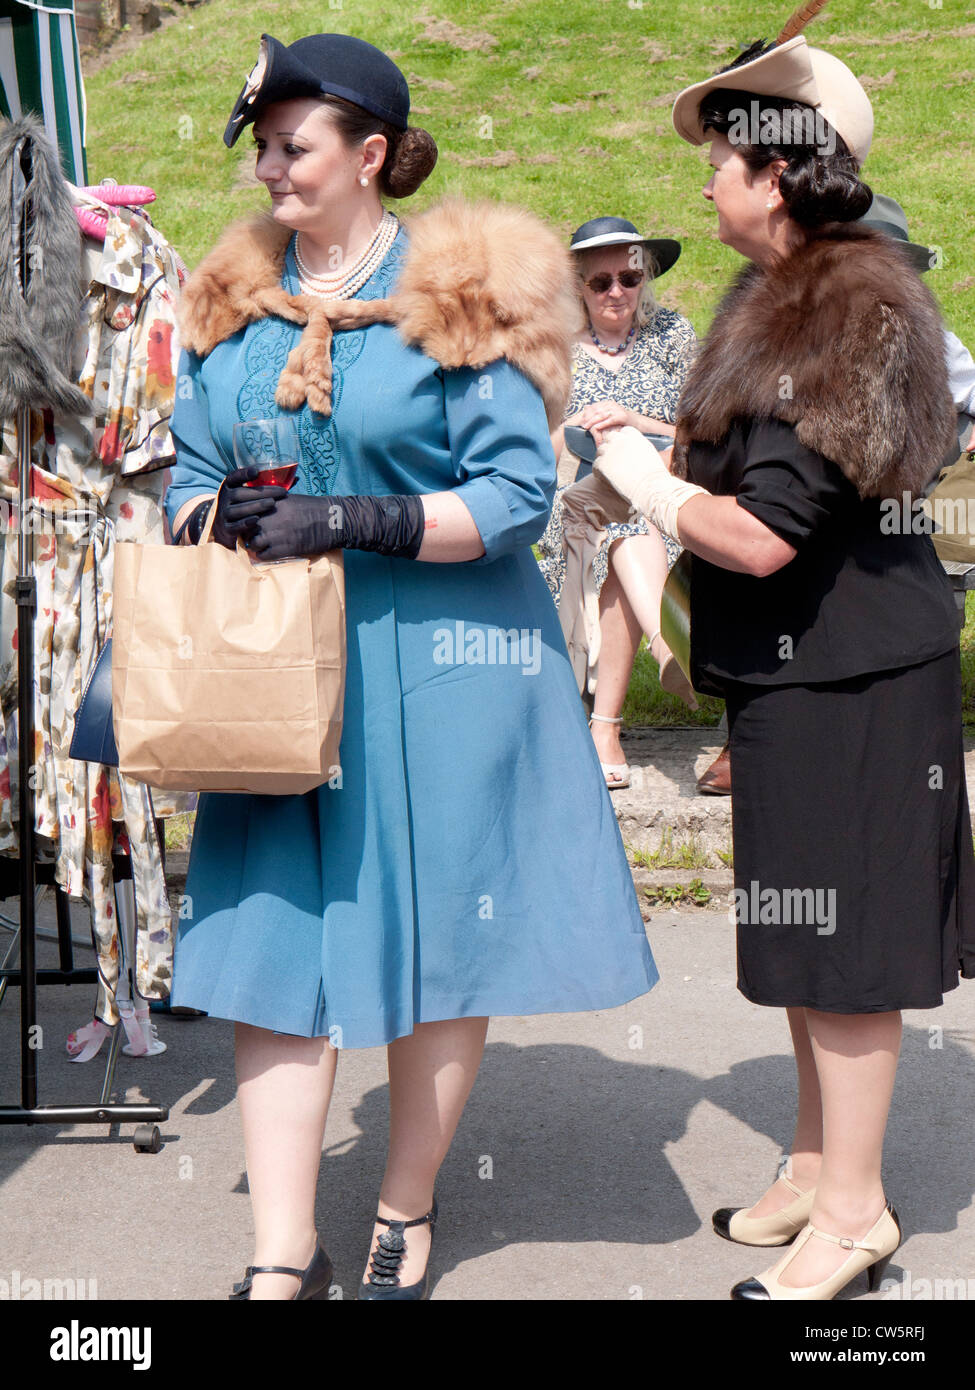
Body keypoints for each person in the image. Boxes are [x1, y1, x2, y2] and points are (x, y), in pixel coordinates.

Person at [163, 32, 657, 1301]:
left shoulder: (470, 296)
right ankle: (282, 1249)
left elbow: (511, 501)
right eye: (263, 148)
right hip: (269, 675)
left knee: (442, 944)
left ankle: (403, 1206)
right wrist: (209, 513)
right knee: (274, 950)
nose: (268, 170)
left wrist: (357, 519)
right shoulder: (231, 302)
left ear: (369, 155)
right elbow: (186, 465)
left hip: (442, 669)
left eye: (293, 146)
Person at [594, 16, 975, 1300]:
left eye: (722, 156)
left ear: (781, 174)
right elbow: (755, 457)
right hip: (795, 677)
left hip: (855, 680)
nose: (702, 177)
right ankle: (816, 1167)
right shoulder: (782, 296)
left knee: (852, 950)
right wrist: (658, 442)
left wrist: (643, 481)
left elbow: (762, 534)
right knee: (805, 937)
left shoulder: (847, 310)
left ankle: (857, 1215)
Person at [535, 218, 697, 789]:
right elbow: (531, 451)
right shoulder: (550, 347)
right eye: (600, 281)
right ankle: (664, 647)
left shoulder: (672, 335)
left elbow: (702, 435)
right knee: (616, 519)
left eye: (630, 278)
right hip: (570, 501)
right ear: (577, 286)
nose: (616, 293)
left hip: (663, 496)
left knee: (628, 520)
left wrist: (633, 420)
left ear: (645, 277)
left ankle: (605, 729)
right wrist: (576, 427)